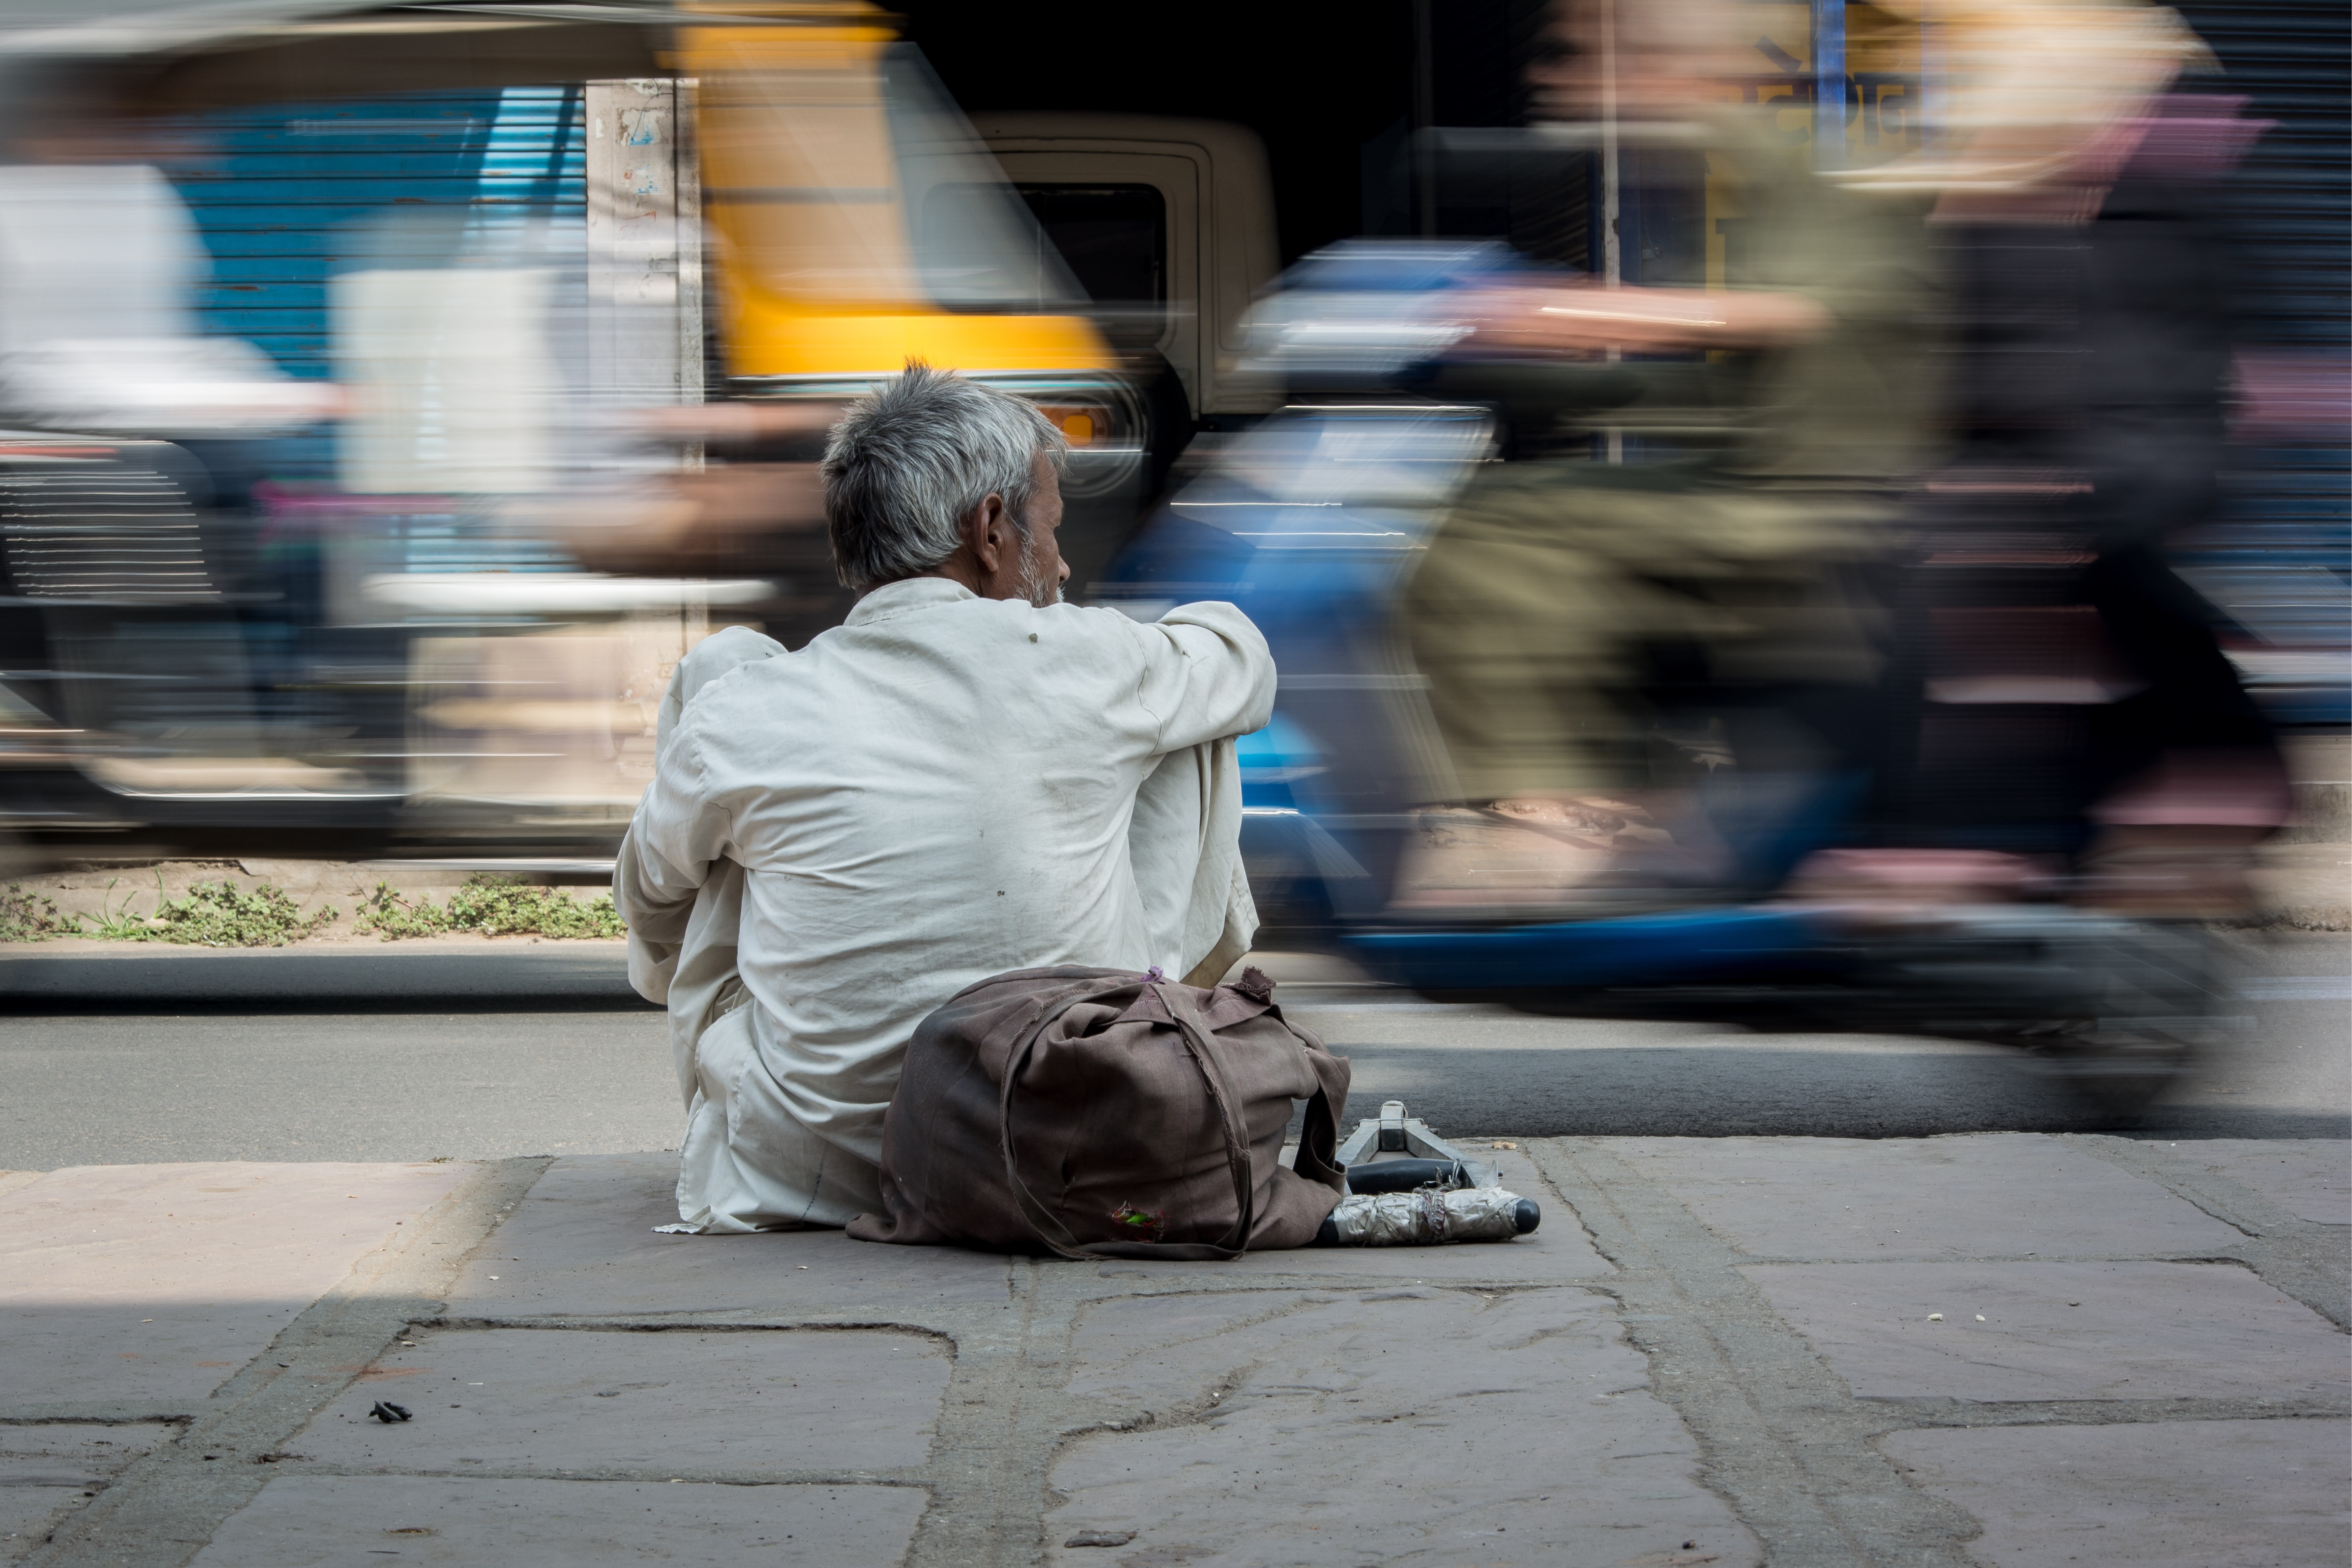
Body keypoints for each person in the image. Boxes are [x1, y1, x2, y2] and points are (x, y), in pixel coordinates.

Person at [615, 364, 1275, 1233]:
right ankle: (1146, 1028)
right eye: (1051, 527)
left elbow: (649, 895)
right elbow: (1243, 660)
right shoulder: (1092, 657)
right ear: (991, 528)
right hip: (1047, 1136)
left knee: (720, 687)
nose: (1063, 563)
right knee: (1187, 718)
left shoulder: (748, 707)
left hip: (814, 1168)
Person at [1396, 0, 1942, 912]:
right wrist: (1522, 361)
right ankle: (1618, 793)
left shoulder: (1802, 151)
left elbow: (1802, 312)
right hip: (1759, 477)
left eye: (1576, 56)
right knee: (1525, 507)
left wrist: (1577, 316)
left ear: (1656, 62)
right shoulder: (1704, 165)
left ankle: (1569, 818)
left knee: (1500, 535)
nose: (1549, 79)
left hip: (1813, 503)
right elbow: (1724, 375)